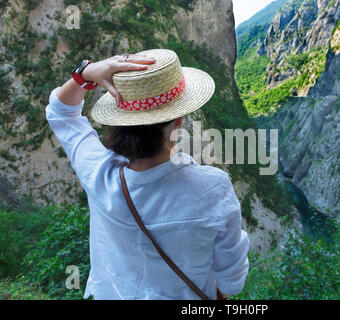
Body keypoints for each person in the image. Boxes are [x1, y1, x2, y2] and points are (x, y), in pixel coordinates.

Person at [45, 49, 250, 300]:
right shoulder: (212, 188)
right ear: (178, 120)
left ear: (118, 122)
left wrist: (86, 72)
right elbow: (231, 278)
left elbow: (61, 113)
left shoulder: (98, 174)